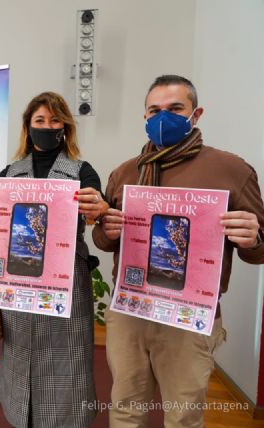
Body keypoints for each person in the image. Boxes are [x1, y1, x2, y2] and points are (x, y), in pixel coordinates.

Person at [93, 74, 264, 428]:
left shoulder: (231, 170)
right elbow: (105, 239)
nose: (162, 118)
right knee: (125, 407)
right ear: (144, 117)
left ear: (195, 114)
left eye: (175, 109)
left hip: (189, 316)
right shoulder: (126, 172)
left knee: (183, 414)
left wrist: (253, 238)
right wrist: (107, 232)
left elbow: (258, 248)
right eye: (154, 110)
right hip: (131, 311)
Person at [0, 92, 108, 427]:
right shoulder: (8, 173)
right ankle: (21, 415)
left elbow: (98, 212)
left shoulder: (81, 171)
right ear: (27, 127)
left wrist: (98, 207)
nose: (47, 127)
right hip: (18, 280)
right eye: (39, 121)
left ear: (66, 127)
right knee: (19, 354)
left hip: (66, 281)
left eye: (55, 120)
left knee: (68, 355)